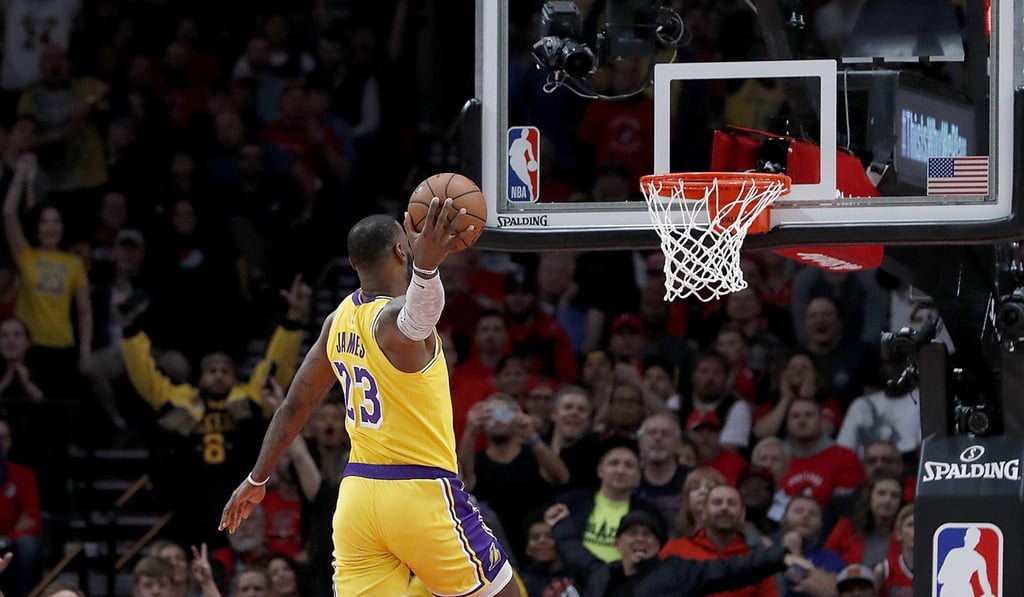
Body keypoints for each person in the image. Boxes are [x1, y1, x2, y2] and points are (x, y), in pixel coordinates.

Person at [220, 203, 519, 596]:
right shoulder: (393, 319)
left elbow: (294, 406)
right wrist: (427, 268)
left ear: (352, 262)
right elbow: (417, 316)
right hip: (420, 489)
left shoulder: (337, 320)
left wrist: (257, 477)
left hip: (358, 496)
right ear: (400, 252)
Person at [545, 504, 812, 596]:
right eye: (632, 535)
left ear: (659, 546)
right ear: (617, 544)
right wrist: (560, 523)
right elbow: (572, 549)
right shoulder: (601, 574)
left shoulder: (678, 571)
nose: (640, 540)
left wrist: (781, 556)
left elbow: (734, 569)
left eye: (648, 536)